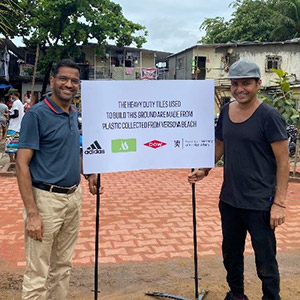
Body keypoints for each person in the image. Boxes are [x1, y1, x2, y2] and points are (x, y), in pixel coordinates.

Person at [188, 60, 289, 300]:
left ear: (258, 84)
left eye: (246, 83)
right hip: (230, 200)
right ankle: (237, 294)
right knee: (231, 254)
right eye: (235, 84)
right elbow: (220, 144)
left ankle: (271, 297)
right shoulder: (226, 111)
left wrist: (279, 203)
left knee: (265, 257)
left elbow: (284, 162)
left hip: (260, 204)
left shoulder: (269, 117)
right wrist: (205, 169)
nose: (240, 89)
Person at [16, 59, 102, 300]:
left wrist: (89, 172)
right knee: (37, 272)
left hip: (73, 198)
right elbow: (21, 165)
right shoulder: (37, 115)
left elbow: (72, 149)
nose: (69, 84)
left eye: (75, 81)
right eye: (63, 79)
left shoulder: (73, 112)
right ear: (52, 81)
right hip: (45, 201)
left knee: (63, 266)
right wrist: (32, 213)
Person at [5, 88, 25, 161]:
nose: (10, 98)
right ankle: (16, 161)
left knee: (10, 146)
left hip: (13, 127)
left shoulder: (16, 103)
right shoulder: (20, 103)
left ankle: (11, 161)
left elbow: (16, 114)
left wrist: (8, 116)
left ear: (13, 95)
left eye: (10, 96)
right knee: (16, 146)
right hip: (19, 128)